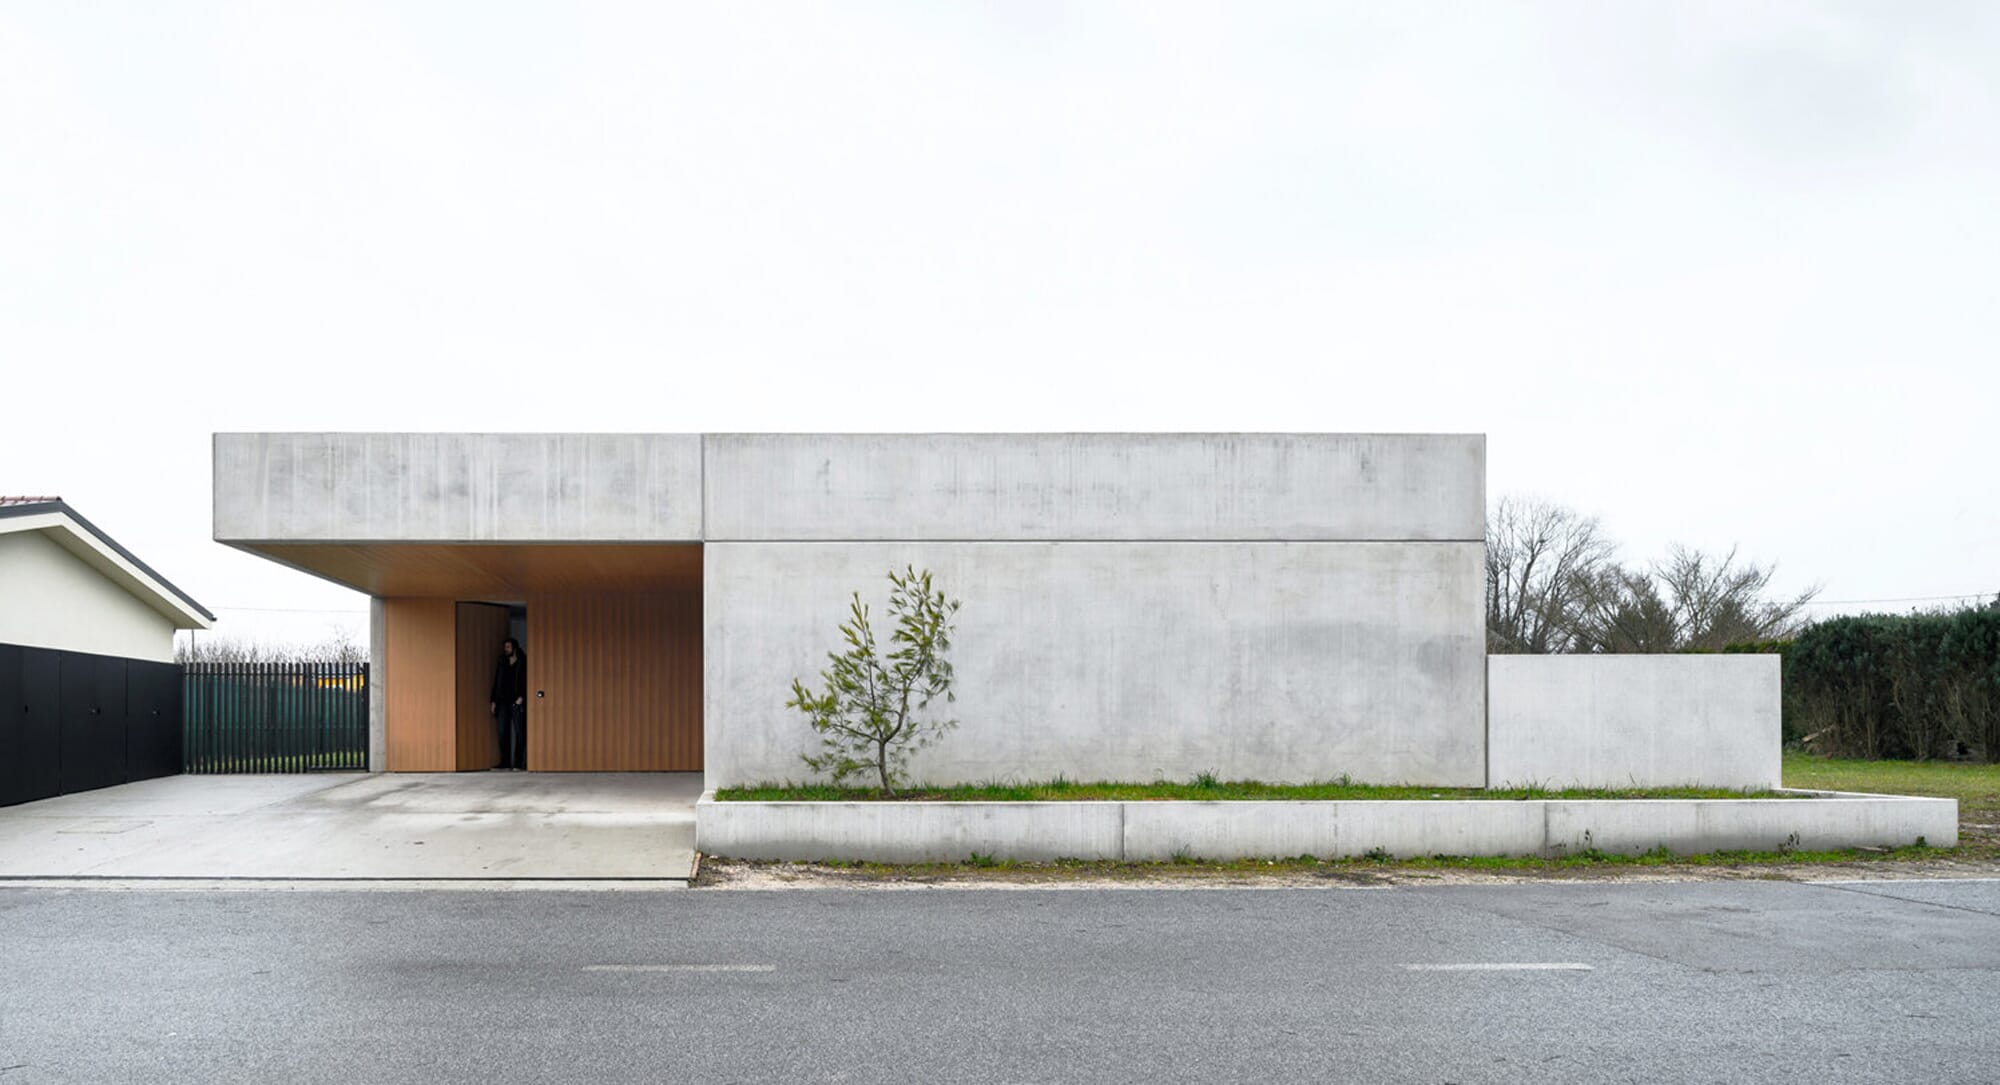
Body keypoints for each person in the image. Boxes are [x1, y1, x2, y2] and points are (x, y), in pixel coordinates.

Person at [489, 638, 527, 770]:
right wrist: (493, 700)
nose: (506, 650)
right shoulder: (502, 661)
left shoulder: (523, 660)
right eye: (505, 647)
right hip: (502, 701)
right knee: (502, 732)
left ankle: (519, 763)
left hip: (517, 701)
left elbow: (527, 680)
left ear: (514, 648)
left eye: (508, 647)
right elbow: (497, 680)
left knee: (519, 732)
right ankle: (504, 763)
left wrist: (522, 696)